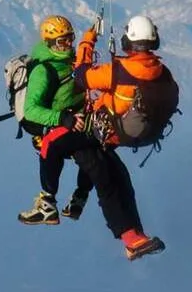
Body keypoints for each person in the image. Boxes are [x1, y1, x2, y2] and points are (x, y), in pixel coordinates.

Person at [65, 14, 169, 260]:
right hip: (134, 134)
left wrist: (87, 41)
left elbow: (80, 76)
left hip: (104, 132)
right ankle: (134, 237)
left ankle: (132, 239)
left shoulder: (118, 71)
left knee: (109, 182)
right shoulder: (161, 72)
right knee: (118, 179)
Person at [15, 15, 93, 226]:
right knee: (53, 146)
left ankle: (76, 199)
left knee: (97, 148)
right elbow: (31, 110)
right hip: (58, 123)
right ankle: (47, 204)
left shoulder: (69, 62)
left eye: (70, 38)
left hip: (73, 119)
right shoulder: (43, 71)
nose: (68, 44)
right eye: (62, 41)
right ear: (49, 42)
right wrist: (61, 118)